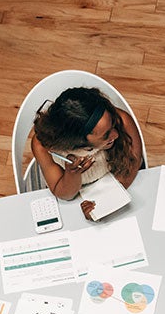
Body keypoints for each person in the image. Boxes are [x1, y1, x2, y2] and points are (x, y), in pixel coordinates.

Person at [31, 86, 143, 218]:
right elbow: (65, 194)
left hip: (117, 182)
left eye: (112, 124)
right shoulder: (42, 147)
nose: (116, 134)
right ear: (78, 142)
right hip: (75, 194)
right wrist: (73, 174)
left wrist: (104, 203)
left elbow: (132, 165)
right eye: (106, 135)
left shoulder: (122, 120)